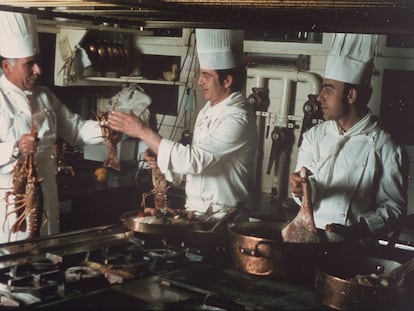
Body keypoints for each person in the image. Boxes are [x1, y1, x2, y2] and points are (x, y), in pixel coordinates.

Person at [108, 29, 258, 220]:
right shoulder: (208, 111)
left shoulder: (238, 119)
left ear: (227, 80)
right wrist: (162, 160)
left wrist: (143, 132)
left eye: (206, 75)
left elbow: (193, 161)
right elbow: (196, 168)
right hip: (196, 215)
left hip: (225, 218)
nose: (199, 81)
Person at [289, 33, 408, 241]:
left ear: (351, 95)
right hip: (310, 240)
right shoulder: (314, 136)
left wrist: (360, 229)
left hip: (353, 249)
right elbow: (305, 196)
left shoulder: (385, 146)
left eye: (328, 89)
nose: (319, 97)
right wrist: (300, 188)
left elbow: (394, 209)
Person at [0, 11, 104, 243]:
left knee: (45, 262)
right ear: (7, 67)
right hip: (8, 201)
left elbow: (75, 130)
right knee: (9, 270)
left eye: (36, 62)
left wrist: (108, 129)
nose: (38, 70)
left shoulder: (45, 96)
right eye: (29, 64)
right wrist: (15, 147)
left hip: (46, 195)